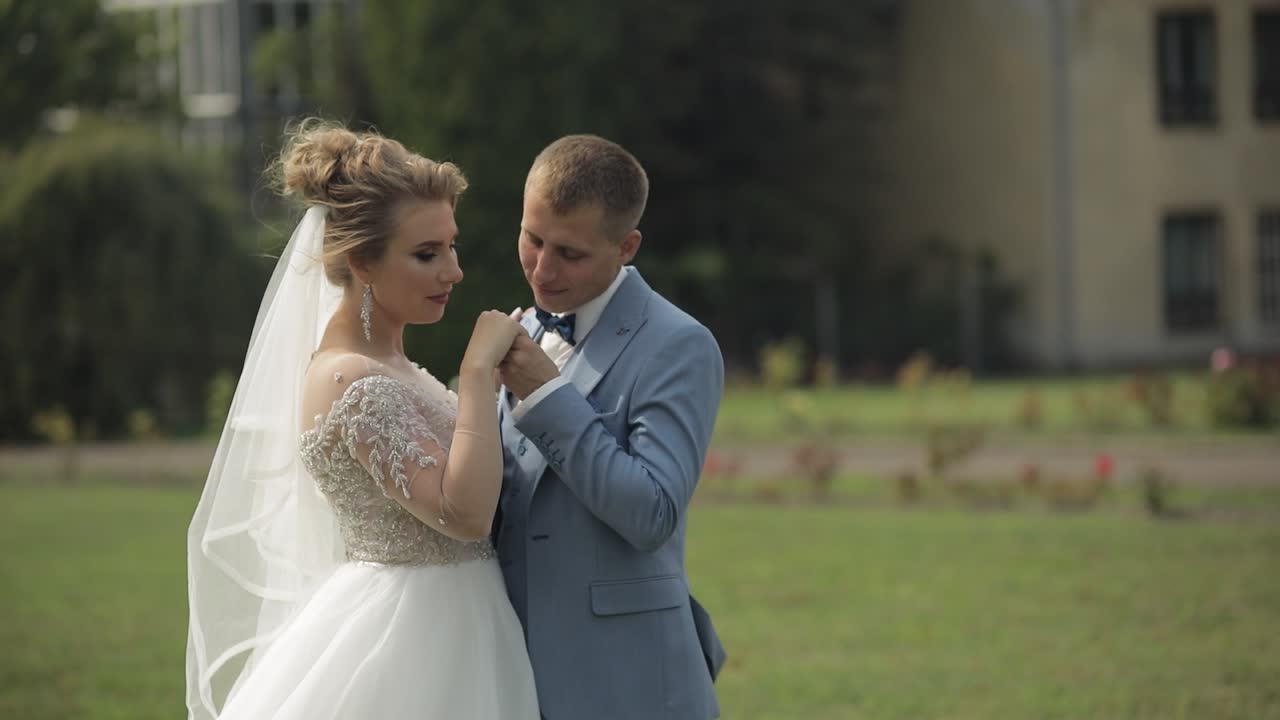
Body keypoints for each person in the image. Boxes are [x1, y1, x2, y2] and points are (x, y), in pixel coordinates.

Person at [185, 121, 540, 719]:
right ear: (363, 263)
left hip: (468, 627)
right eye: (427, 253)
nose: (453, 271)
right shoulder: (350, 380)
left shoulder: (396, 365)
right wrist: (477, 372)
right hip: (406, 644)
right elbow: (464, 515)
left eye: (452, 247)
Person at [493, 134, 727, 720]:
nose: (543, 269)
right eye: (532, 239)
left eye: (570, 254)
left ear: (627, 246)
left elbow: (650, 512)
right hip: (512, 674)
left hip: (629, 682)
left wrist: (546, 394)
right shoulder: (517, 327)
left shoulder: (678, 344)